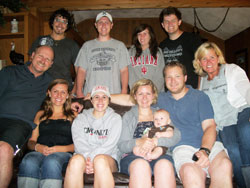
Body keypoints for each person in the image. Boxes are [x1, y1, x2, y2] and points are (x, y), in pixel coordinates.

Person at [111, 63, 233, 187]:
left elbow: (209, 126)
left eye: (177, 76)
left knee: (224, 166)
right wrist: (103, 97)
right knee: (191, 174)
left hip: (208, 146)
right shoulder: (161, 100)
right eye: (169, 77)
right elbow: (132, 99)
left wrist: (205, 150)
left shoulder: (200, 96)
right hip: (183, 150)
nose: (173, 81)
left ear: (185, 78)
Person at [193, 42, 250, 188]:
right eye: (204, 59)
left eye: (212, 57)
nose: (209, 62)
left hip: (241, 110)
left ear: (218, 58)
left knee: (245, 132)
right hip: (223, 122)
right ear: (199, 62)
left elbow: (246, 89)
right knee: (232, 150)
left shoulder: (231, 70)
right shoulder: (202, 80)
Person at [0, 45, 54, 188]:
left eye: (48, 59)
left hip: (20, 124)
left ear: (51, 64)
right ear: (32, 55)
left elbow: (62, 95)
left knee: (4, 149)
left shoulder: (50, 82)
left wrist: (73, 103)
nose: (43, 61)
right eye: (41, 56)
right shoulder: (9, 72)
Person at [119, 79, 181, 188]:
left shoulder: (161, 113)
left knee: (164, 165)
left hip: (159, 154)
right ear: (135, 96)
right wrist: (139, 142)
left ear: (153, 96)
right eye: (140, 94)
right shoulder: (129, 116)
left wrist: (156, 141)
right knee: (140, 165)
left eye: (148, 93)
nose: (144, 97)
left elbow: (176, 135)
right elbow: (122, 145)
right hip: (134, 156)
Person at [18, 79, 76, 188]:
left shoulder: (74, 115)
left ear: (68, 95)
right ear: (49, 93)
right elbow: (31, 141)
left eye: (63, 92)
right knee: (29, 161)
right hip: (39, 152)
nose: (59, 95)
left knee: (51, 161)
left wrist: (58, 149)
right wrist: (37, 147)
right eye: (55, 91)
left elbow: (79, 144)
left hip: (63, 154)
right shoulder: (40, 114)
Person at [64, 85, 122, 188]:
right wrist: (89, 160)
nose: (100, 100)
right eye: (96, 97)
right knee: (75, 161)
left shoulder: (115, 119)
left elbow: (110, 145)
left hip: (108, 157)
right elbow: (79, 143)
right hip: (84, 157)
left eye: (104, 97)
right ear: (91, 100)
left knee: (100, 160)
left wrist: (92, 160)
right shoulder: (81, 119)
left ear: (109, 100)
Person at [75, 11, 129, 98]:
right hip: (91, 95)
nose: (103, 25)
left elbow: (124, 71)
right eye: (100, 22)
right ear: (95, 25)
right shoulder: (87, 46)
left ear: (111, 25)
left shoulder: (120, 46)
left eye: (106, 22)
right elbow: (81, 70)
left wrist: (124, 91)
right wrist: (79, 91)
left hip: (114, 95)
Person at [29, 8, 80, 91]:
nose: (60, 24)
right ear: (52, 22)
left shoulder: (72, 45)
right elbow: (30, 64)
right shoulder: (40, 40)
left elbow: (79, 72)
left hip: (63, 88)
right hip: (41, 87)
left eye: (64, 22)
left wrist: (73, 92)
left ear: (67, 26)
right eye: (57, 20)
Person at [159, 7, 202, 88]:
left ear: (179, 22)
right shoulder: (161, 45)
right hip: (170, 92)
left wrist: (199, 89)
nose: (170, 24)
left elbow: (201, 64)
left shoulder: (192, 39)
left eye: (173, 21)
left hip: (191, 90)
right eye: (166, 21)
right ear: (163, 25)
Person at [128, 24, 165, 92]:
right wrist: (136, 91)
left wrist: (152, 92)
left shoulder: (158, 51)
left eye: (145, 33)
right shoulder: (131, 52)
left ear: (150, 35)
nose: (142, 37)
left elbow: (160, 75)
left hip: (156, 93)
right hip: (137, 94)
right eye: (139, 34)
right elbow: (130, 75)